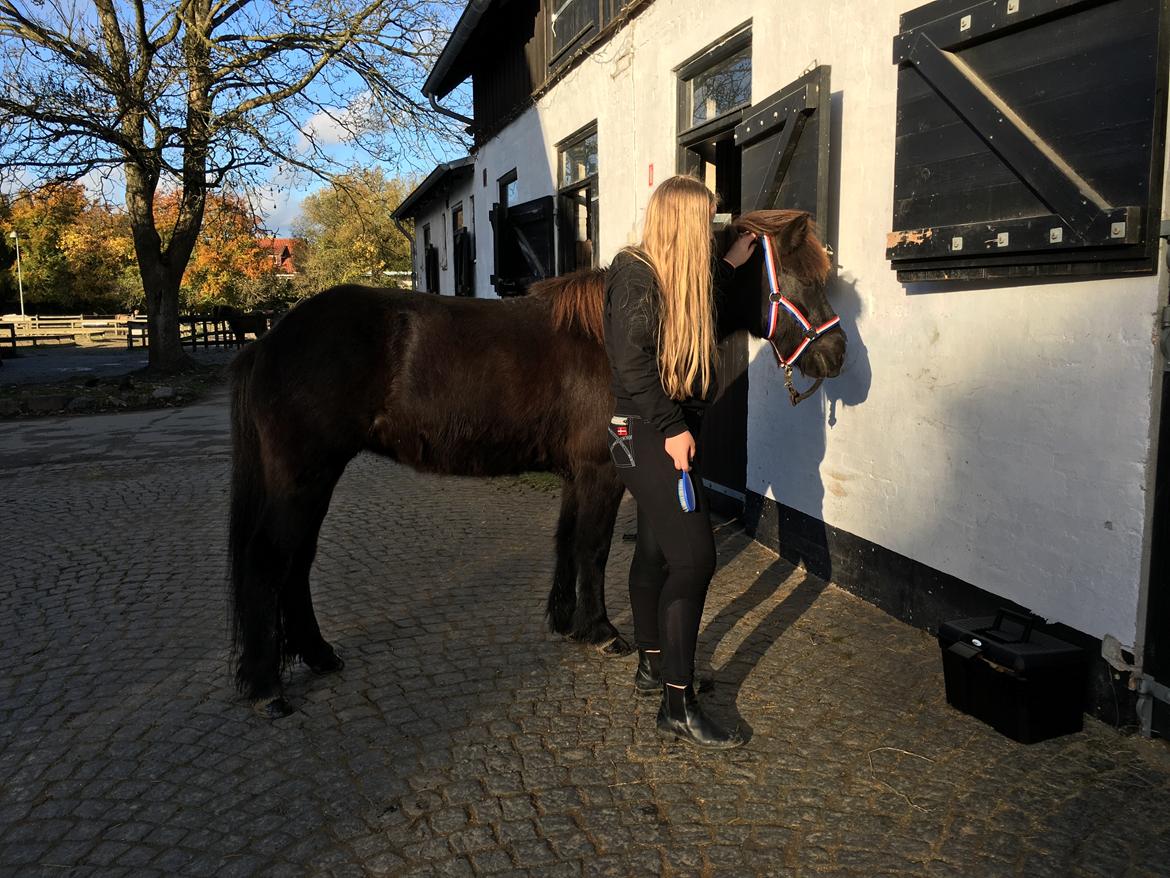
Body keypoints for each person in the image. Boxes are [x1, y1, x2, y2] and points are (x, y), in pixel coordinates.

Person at [602, 174, 758, 749]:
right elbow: (632, 362)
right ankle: (678, 702)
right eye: (707, 223)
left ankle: (651, 664)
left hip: (649, 430)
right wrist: (671, 430)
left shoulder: (669, 274)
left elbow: (688, 295)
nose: (712, 232)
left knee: (653, 549)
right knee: (694, 558)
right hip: (643, 430)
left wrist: (733, 265)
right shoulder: (634, 272)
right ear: (681, 223)